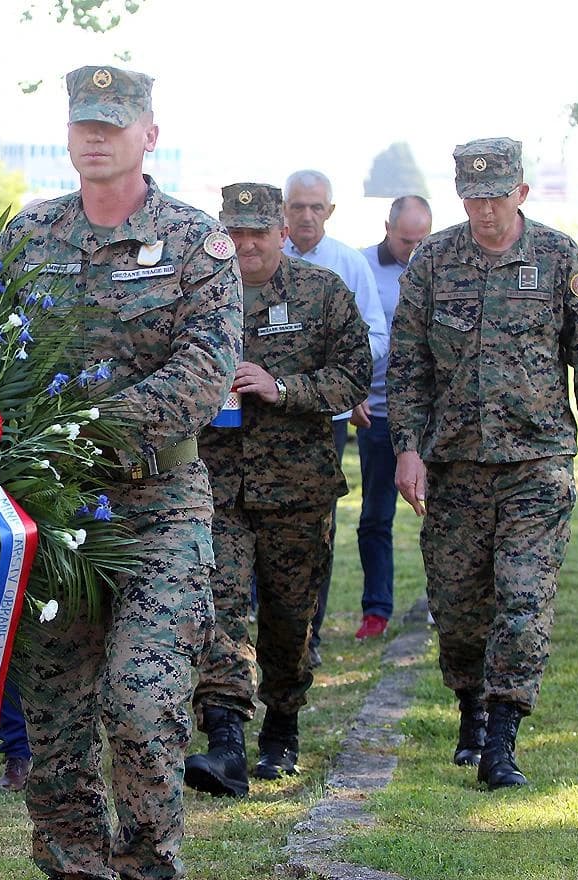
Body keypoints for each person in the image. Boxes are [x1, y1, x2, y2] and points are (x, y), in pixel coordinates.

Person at [0, 65, 241, 879]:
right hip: (53, 518)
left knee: (141, 705)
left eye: (113, 122)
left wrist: (76, 431)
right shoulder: (26, 239)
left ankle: (148, 864)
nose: (95, 136)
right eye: (83, 123)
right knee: (57, 731)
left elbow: (203, 372)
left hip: (157, 510)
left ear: (149, 134)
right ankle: (72, 865)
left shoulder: (197, 243)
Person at [388, 137, 578, 789]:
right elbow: (408, 364)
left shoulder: (557, 257)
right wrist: (407, 447)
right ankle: (471, 710)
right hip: (454, 464)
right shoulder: (434, 259)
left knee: (522, 599)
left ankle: (503, 740)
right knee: (460, 606)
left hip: (536, 461)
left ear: (520, 192)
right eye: (472, 197)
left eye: (496, 196)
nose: (484, 210)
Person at [186, 183, 370, 796]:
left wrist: (281, 386)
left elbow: (352, 380)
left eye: (257, 232)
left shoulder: (323, 294)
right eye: (234, 233)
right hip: (217, 489)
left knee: (290, 621)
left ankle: (282, 726)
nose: (245, 244)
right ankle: (225, 739)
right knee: (221, 608)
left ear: (281, 233)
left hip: (297, 491)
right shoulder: (196, 293)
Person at [282, 170, 388, 665]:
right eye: (297, 206)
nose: (306, 216)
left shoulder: (348, 264)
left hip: (325, 413)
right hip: (261, 409)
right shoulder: (263, 257)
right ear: (283, 209)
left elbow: (378, 336)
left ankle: (310, 634)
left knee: (314, 523)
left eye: (315, 207)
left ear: (330, 210)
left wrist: (340, 373)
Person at [355, 196, 433, 640]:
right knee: (375, 516)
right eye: (407, 241)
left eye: (423, 239)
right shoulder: (363, 267)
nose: (415, 249)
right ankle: (376, 608)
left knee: (446, 516)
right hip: (380, 414)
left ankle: (445, 602)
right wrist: (354, 393)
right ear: (387, 228)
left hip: (434, 418)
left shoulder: (440, 264)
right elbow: (351, 335)